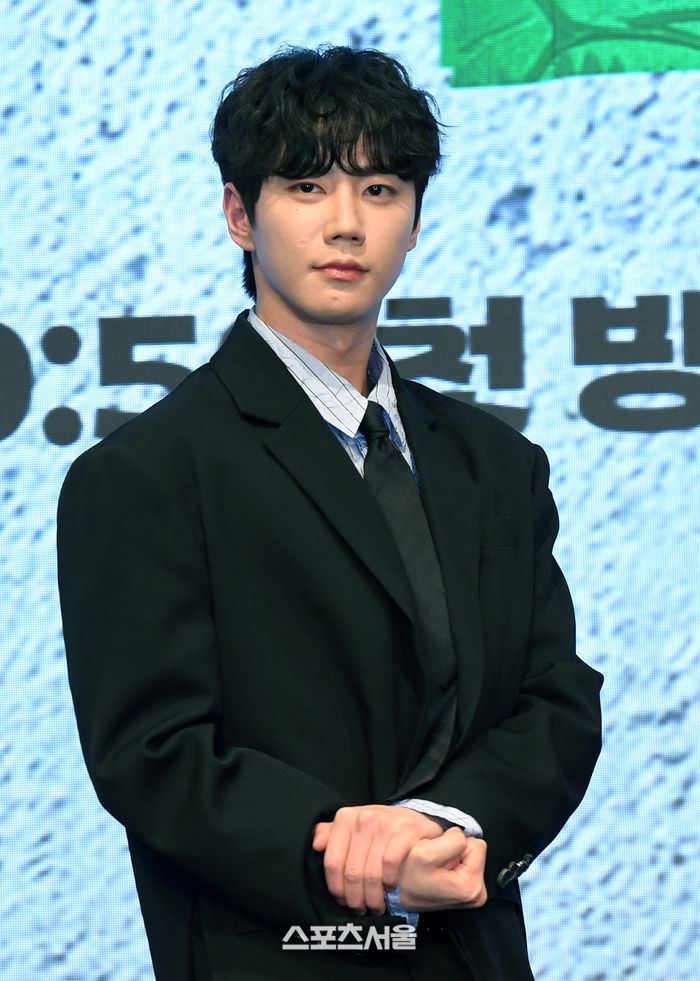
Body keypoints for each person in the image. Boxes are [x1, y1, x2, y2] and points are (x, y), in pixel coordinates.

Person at [57, 45, 603, 981]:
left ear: (415, 221)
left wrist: (446, 822)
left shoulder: (495, 463)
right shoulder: (147, 473)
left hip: (473, 955)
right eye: (306, 186)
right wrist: (357, 852)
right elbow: (155, 754)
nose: (346, 223)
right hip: (282, 951)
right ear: (240, 214)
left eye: (380, 189)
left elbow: (554, 698)